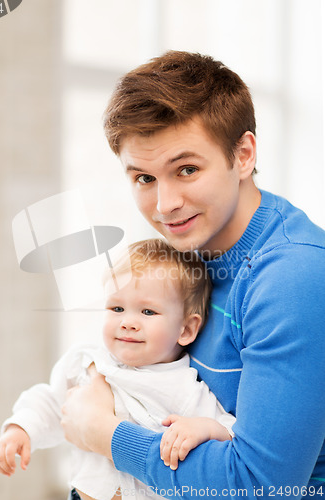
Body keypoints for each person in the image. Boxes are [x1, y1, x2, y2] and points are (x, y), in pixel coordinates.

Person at [60, 51, 325, 499]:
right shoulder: (188, 248)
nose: (165, 204)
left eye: (187, 170)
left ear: (242, 155)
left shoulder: (293, 278)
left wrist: (105, 434)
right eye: (144, 178)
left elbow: (259, 486)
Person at [0, 238, 236, 500]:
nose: (128, 322)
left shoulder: (183, 387)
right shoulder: (89, 361)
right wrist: (21, 428)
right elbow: (53, 402)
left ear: (185, 329)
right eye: (117, 308)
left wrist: (204, 428)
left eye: (148, 311)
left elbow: (231, 433)